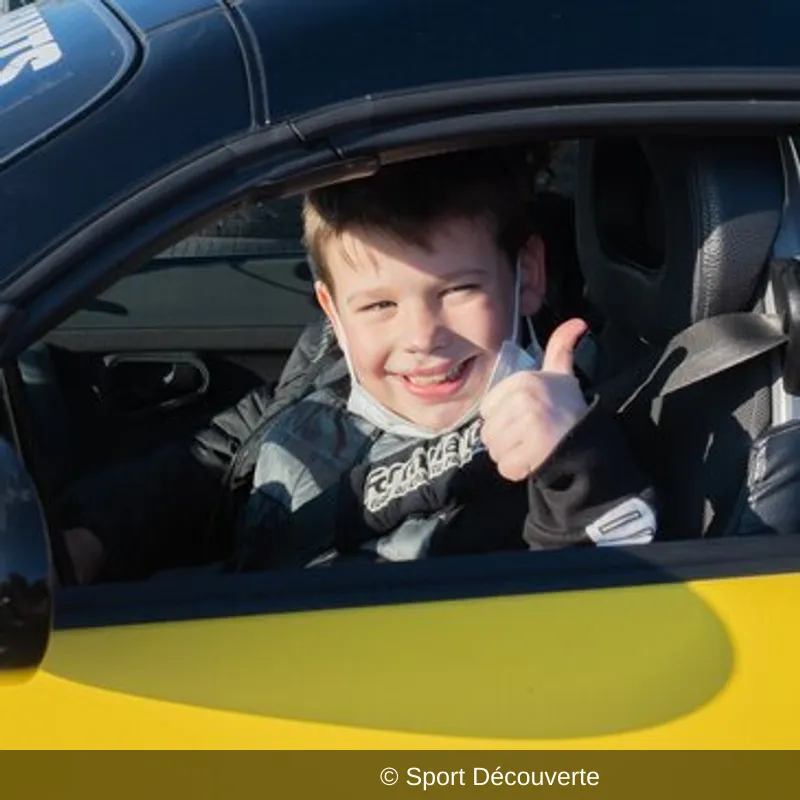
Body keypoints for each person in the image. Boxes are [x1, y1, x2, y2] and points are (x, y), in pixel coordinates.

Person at [60, 146, 656, 583]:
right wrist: (88, 538)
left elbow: (602, 601)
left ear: (527, 276)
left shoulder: (563, 423)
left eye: (457, 291)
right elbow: (221, 460)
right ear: (333, 312)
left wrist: (572, 466)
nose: (421, 338)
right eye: (379, 304)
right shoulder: (330, 363)